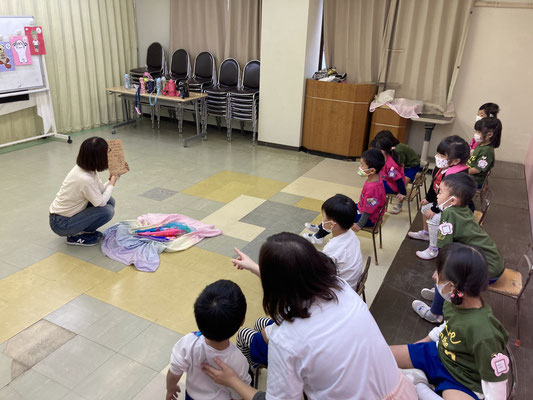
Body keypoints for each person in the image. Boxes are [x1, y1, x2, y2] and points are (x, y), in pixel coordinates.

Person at [202, 233, 417, 400]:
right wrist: (255, 268)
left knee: (251, 335)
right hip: (401, 391)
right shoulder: (339, 288)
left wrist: (233, 381)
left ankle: (250, 365)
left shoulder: (287, 341)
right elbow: (296, 284)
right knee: (262, 324)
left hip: (291, 347)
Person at [391, 243, 509, 400]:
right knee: (383, 356)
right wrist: (424, 342)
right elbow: (448, 326)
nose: (434, 276)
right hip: (438, 354)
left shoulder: (485, 334)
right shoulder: (454, 301)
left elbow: (497, 386)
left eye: (438, 273)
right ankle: (420, 384)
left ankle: (419, 386)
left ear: (452, 287)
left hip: (463, 381)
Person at [412, 173, 504, 324]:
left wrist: (440, 273)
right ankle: (439, 294)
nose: (437, 194)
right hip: (494, 261)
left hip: (488, 269)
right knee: (444, 274)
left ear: (453, 200)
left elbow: (444, 248)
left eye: (440, 192)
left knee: (444, 275)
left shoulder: (448, 214)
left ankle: (435, 313)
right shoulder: (464, 208)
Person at [166, 279, 251, 400]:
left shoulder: (189, 342)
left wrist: (171, 388)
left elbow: (174, 371)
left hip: (191, 396)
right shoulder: (238, 360)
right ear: (242, 321)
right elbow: (238, 394)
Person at [49, 136, 127, 246]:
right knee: (107, 210)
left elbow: (100, 190)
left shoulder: (86, 169)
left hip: (64, 217)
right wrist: (112, 183)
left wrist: (115, 176)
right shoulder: (85, 179)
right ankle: (74, 236)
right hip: (61, 224)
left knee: (110, 201)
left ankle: (83, 230)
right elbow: (100, 203)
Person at [303, 149, 386, 245]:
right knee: (336, 207)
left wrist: (360, 225)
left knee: (337, 216)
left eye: (362, 165)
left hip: (369, 218)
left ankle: (319, 236)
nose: (360, 167)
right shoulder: (375, 178)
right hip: (361, 208)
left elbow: (368, 211)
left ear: (372, 170)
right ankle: (321, 227)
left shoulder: (373, 189)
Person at [407, 136, 470, 260]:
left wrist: (435, 209)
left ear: (456, 161)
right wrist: (429, 199)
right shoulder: (440, 168)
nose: (437, 157)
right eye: (438, 154)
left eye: (442, 156)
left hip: (455, 209)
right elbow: (434, 185)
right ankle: (426, 234)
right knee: (425, 208)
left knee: (434, 218)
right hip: (443, 202)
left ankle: (434, 249)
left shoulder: (457, 176)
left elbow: (448, 198)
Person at [302, 194, 363, 289]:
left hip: (341, 290)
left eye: (323, 217)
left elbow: (321, 275)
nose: (322, 220)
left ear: (331, 224)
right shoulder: (351, 234)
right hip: (353, 282)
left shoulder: (331, 249)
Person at [372, 135, 407, 215]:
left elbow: (399, 180)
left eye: (378, 149)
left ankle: (375, 207)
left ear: (383, 151)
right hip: (387, 181)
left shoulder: (391, 165)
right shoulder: (383, 159)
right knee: (372, 184)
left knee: (375, 188)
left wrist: (403, 193)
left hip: (393, 185)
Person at [467, 117, 502, 188]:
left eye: (479, 132)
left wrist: (461, 171)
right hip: (468, 171)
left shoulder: (487, 151)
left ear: (489, 135)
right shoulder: (481, 144)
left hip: (475, 180)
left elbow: (477, 170)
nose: (476, 134)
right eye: (476, 131)